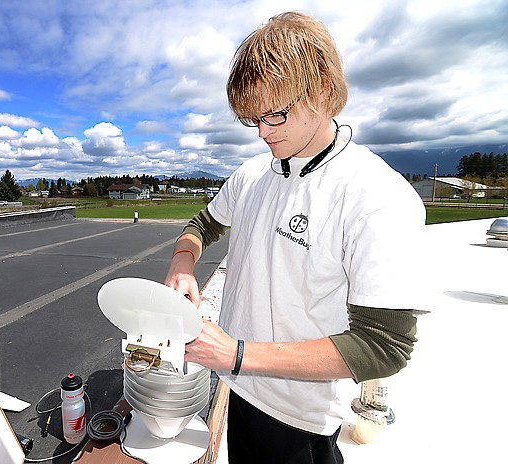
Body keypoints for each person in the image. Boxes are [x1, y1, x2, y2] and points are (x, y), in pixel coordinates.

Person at [164, 11, 426, 464]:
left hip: (299, 417)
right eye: (253, 120)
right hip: (237, 386)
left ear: (323, 91)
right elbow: (203, 225)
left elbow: (385, 346)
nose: (263, 133)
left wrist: (238, 352)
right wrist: (182, 263)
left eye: (275, 115)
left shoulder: (374, 193)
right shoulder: (251, 176)